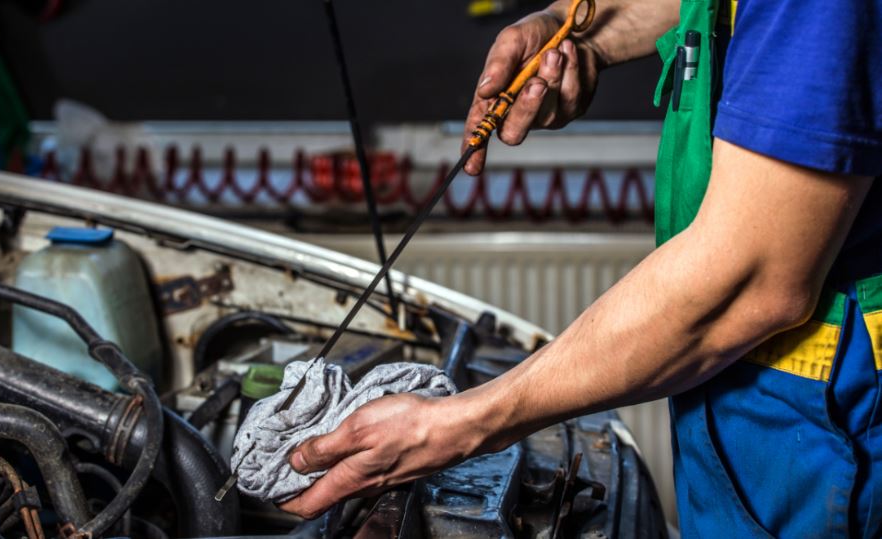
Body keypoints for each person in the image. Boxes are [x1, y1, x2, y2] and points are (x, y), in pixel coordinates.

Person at [280, 0, 882, 535]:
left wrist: (462, 425)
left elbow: (749, 280)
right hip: (751, 402)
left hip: (832, 426)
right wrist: (587, 30)